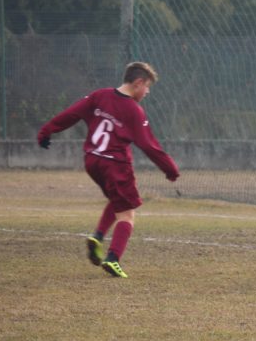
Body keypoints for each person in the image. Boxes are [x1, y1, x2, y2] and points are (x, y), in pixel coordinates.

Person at [37, 61, 180, 278]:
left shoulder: (99, 95)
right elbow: (148, 144)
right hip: (116, 164)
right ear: (138, 82)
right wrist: (170, 169)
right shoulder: (134, 110)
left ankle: (98, 236)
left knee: (117, 202)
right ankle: (113, 259)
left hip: (93, 161)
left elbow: (71, 113)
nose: (147, 92)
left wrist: (47, 131)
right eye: (147, 86)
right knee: (128, 213)